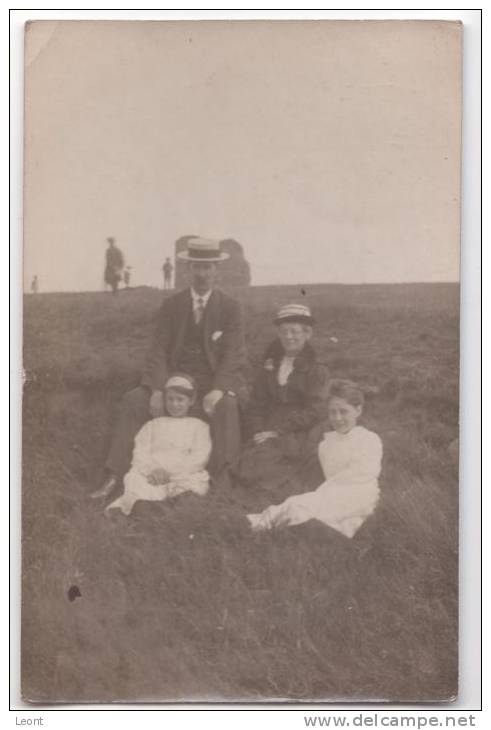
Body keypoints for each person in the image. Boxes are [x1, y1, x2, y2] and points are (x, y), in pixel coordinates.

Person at [91, 236, 246, 499]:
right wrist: (157, 389)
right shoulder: (172, 305)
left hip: (209, 385)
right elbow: (158, 350)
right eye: (197, 267)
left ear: (216, 270)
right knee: (133, 401)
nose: (202, 273)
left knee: (228, 407)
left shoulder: (230, 308)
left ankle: (224, 481)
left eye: (208, 267)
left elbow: (234, 355)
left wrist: (218, 389)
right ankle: (114, 475)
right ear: (188, 269)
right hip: (172, 383)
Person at [247, 380, 383, 538]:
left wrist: (323, 494)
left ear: (358, 410)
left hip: (361, 494)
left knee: (302, 506)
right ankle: (268, 526)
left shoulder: (369, 439)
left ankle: (269, 526)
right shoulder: (326, 444)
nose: (337, 418)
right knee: (296, 504)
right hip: (333, 492)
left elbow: (360, 476)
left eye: (343, 411)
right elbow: (329, 474)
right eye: (333, 412)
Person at [236, 303, 330, 493]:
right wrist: (257, 432)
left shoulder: (317, 369)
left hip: (300, 430)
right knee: (249, 464)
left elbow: (316, 410)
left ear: (307, 333)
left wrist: (279, 431)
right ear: (278, 334)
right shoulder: (269, 365)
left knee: (282, 467)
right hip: (268, 428)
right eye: (284, 331)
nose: (289, 337)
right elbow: (257, 404)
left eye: (295, 332)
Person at [105, 374, 212, 516]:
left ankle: (158, 507)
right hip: (153, 475)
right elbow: (140, 452)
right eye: (170, 399)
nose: (174, 404)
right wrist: (153, 470)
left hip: (182, 474)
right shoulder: (152, 425)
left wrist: (171, 472)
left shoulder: (199, 426)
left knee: (192, 485)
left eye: (180, 400)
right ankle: (150, 507)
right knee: (135, 480)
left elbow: (200, 456)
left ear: (191, 401)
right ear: (164, 400)